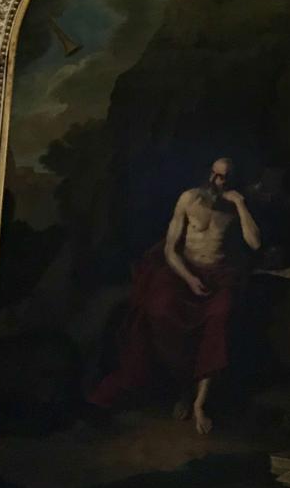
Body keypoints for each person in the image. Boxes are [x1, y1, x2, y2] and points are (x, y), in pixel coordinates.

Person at [88, 156, 261, 435]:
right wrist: (190, 279)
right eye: (214, 174)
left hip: (219, 277)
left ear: (234, 181)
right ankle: (184, 387)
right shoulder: (189, 199)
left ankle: (200, 403)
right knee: (161, 310)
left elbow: (255, 243)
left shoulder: (236, 206)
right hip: (184, 273)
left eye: (223, 177)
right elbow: (170, 249)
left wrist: (241, 204)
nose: (216, 181)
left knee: (219, 319)